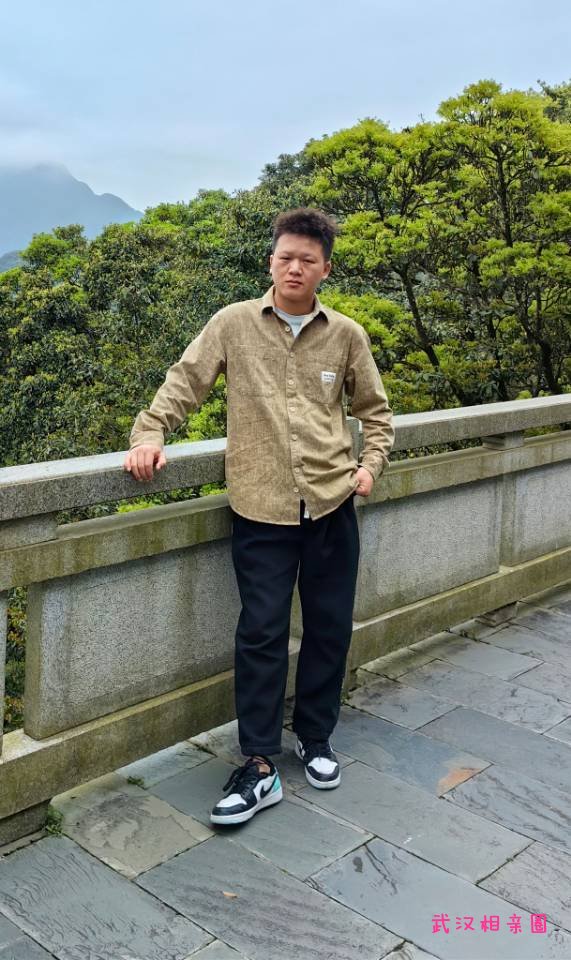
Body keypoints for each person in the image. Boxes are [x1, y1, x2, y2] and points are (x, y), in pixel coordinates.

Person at [124, 207, 395, 826]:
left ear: (325, 269)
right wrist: (150, 433)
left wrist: (370, 465)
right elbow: (184, 382)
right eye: (285, 257)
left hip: (331, 503)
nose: (294, 268)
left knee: (329, 628)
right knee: (262, 633)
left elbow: (375, 413)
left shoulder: (346, 335)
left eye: (307, 260)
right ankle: (259, 761)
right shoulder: (233, 324)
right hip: (260, 508)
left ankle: (316, 737)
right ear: (270, 261)